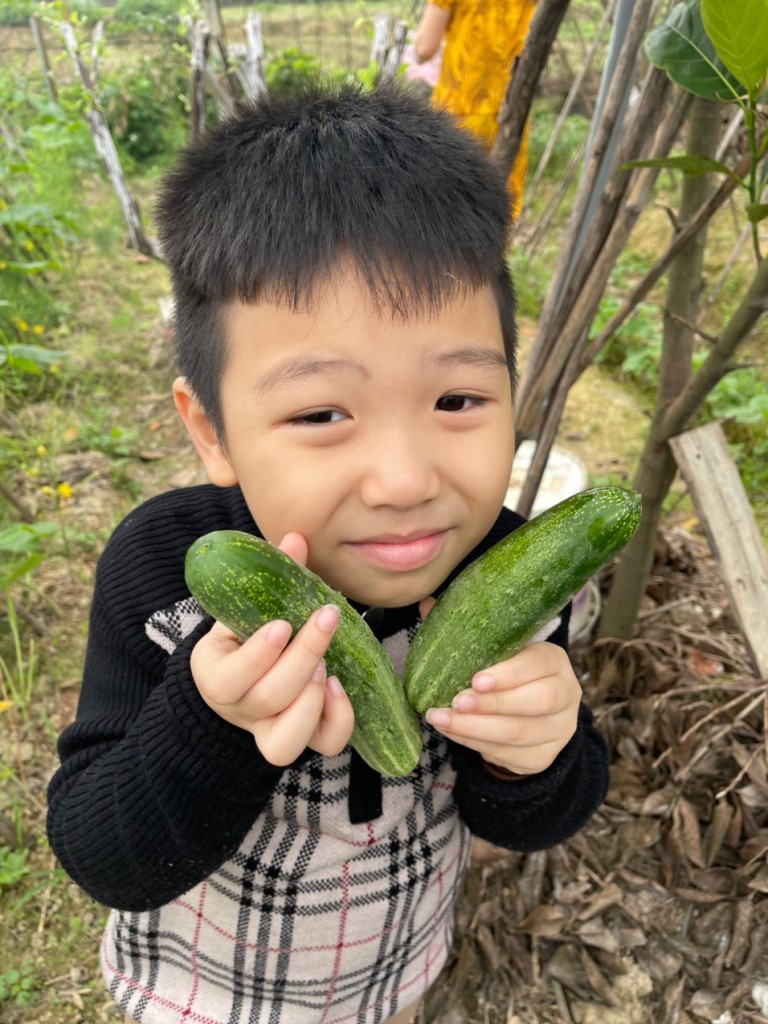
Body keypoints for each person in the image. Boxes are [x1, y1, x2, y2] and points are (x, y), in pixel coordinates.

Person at [46, 83, 608, 1024]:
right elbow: (102, 855)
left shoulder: (509, 572)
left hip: (392, 977)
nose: (401, 479)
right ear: (212, 429)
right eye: (320, 414)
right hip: (200, 1001)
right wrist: (211, 721)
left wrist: (541, 754)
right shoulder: (167, 574)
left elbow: (531, 816)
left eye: (458, 400)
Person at [413, 0, 537, 219]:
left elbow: (424, 48)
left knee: (444, 215)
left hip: (457, 113)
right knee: (496, 216)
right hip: (509, 113)